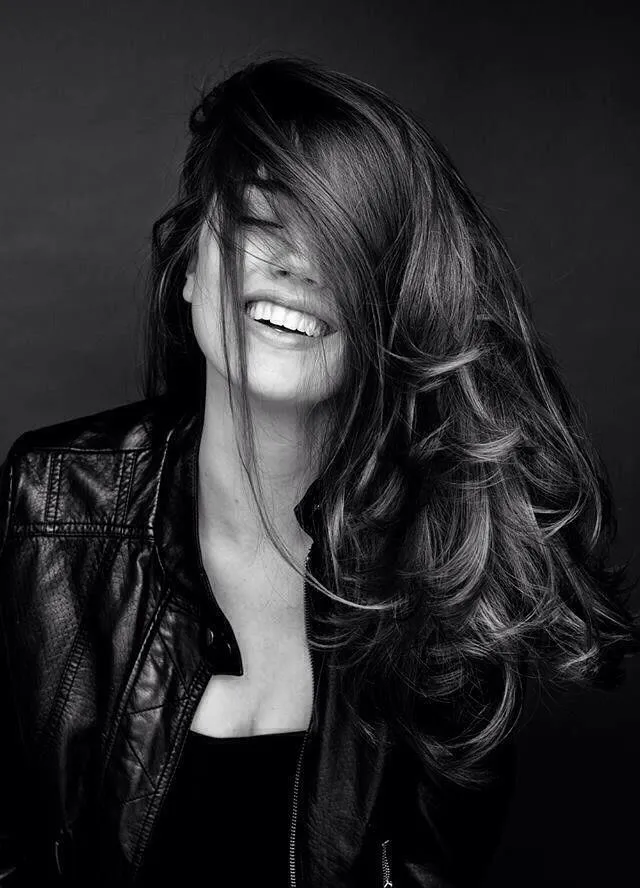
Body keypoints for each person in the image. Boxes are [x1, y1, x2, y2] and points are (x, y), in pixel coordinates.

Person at [1, 55, 638, 888]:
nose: (296, 267)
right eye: (262, 222)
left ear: (393, 304)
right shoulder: (49, 507)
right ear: (190, 269)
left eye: (338, 242)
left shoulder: (451, 567)